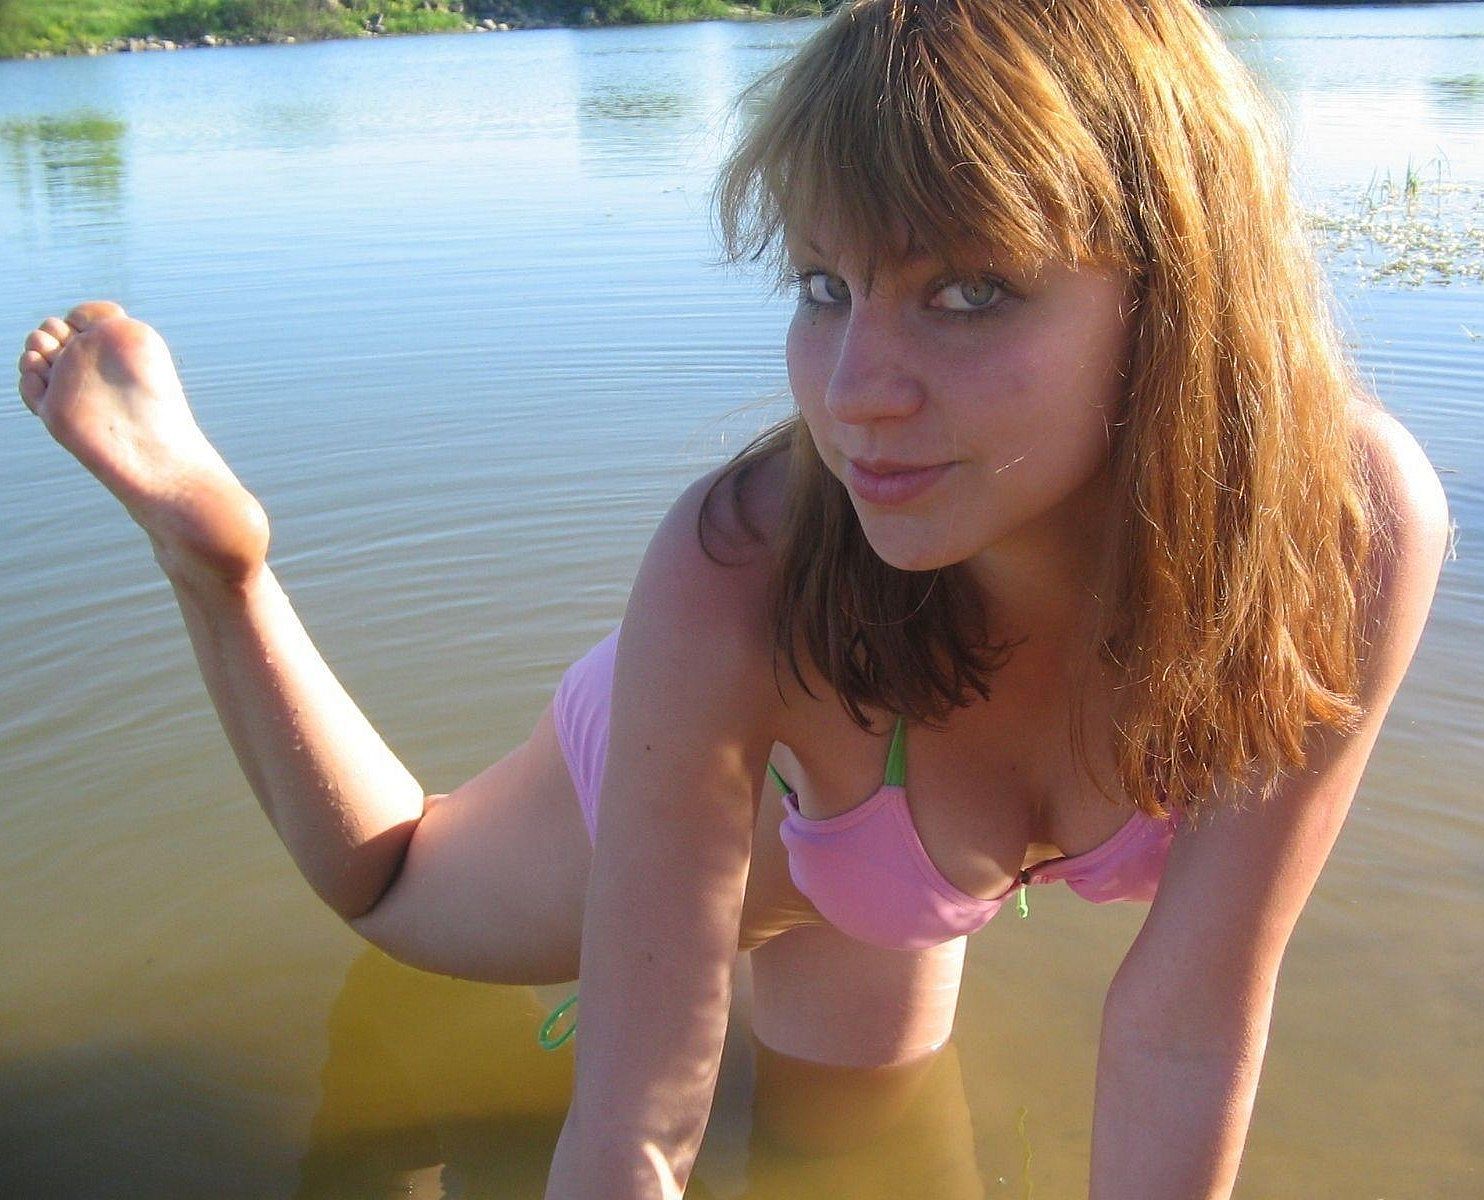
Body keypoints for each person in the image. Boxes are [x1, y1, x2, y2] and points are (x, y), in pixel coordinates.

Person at [15, 0, 1450, 1196]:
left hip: (888, 865)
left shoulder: (1348, 534)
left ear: (1178, 291)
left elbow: (1183, 1022)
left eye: (968, 292)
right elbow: (637, 1127)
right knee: (393, 885)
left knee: (858, 1153)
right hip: (751, 741)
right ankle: (221, 565)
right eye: (823, 285)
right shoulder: (731, 580)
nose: (854, 395)